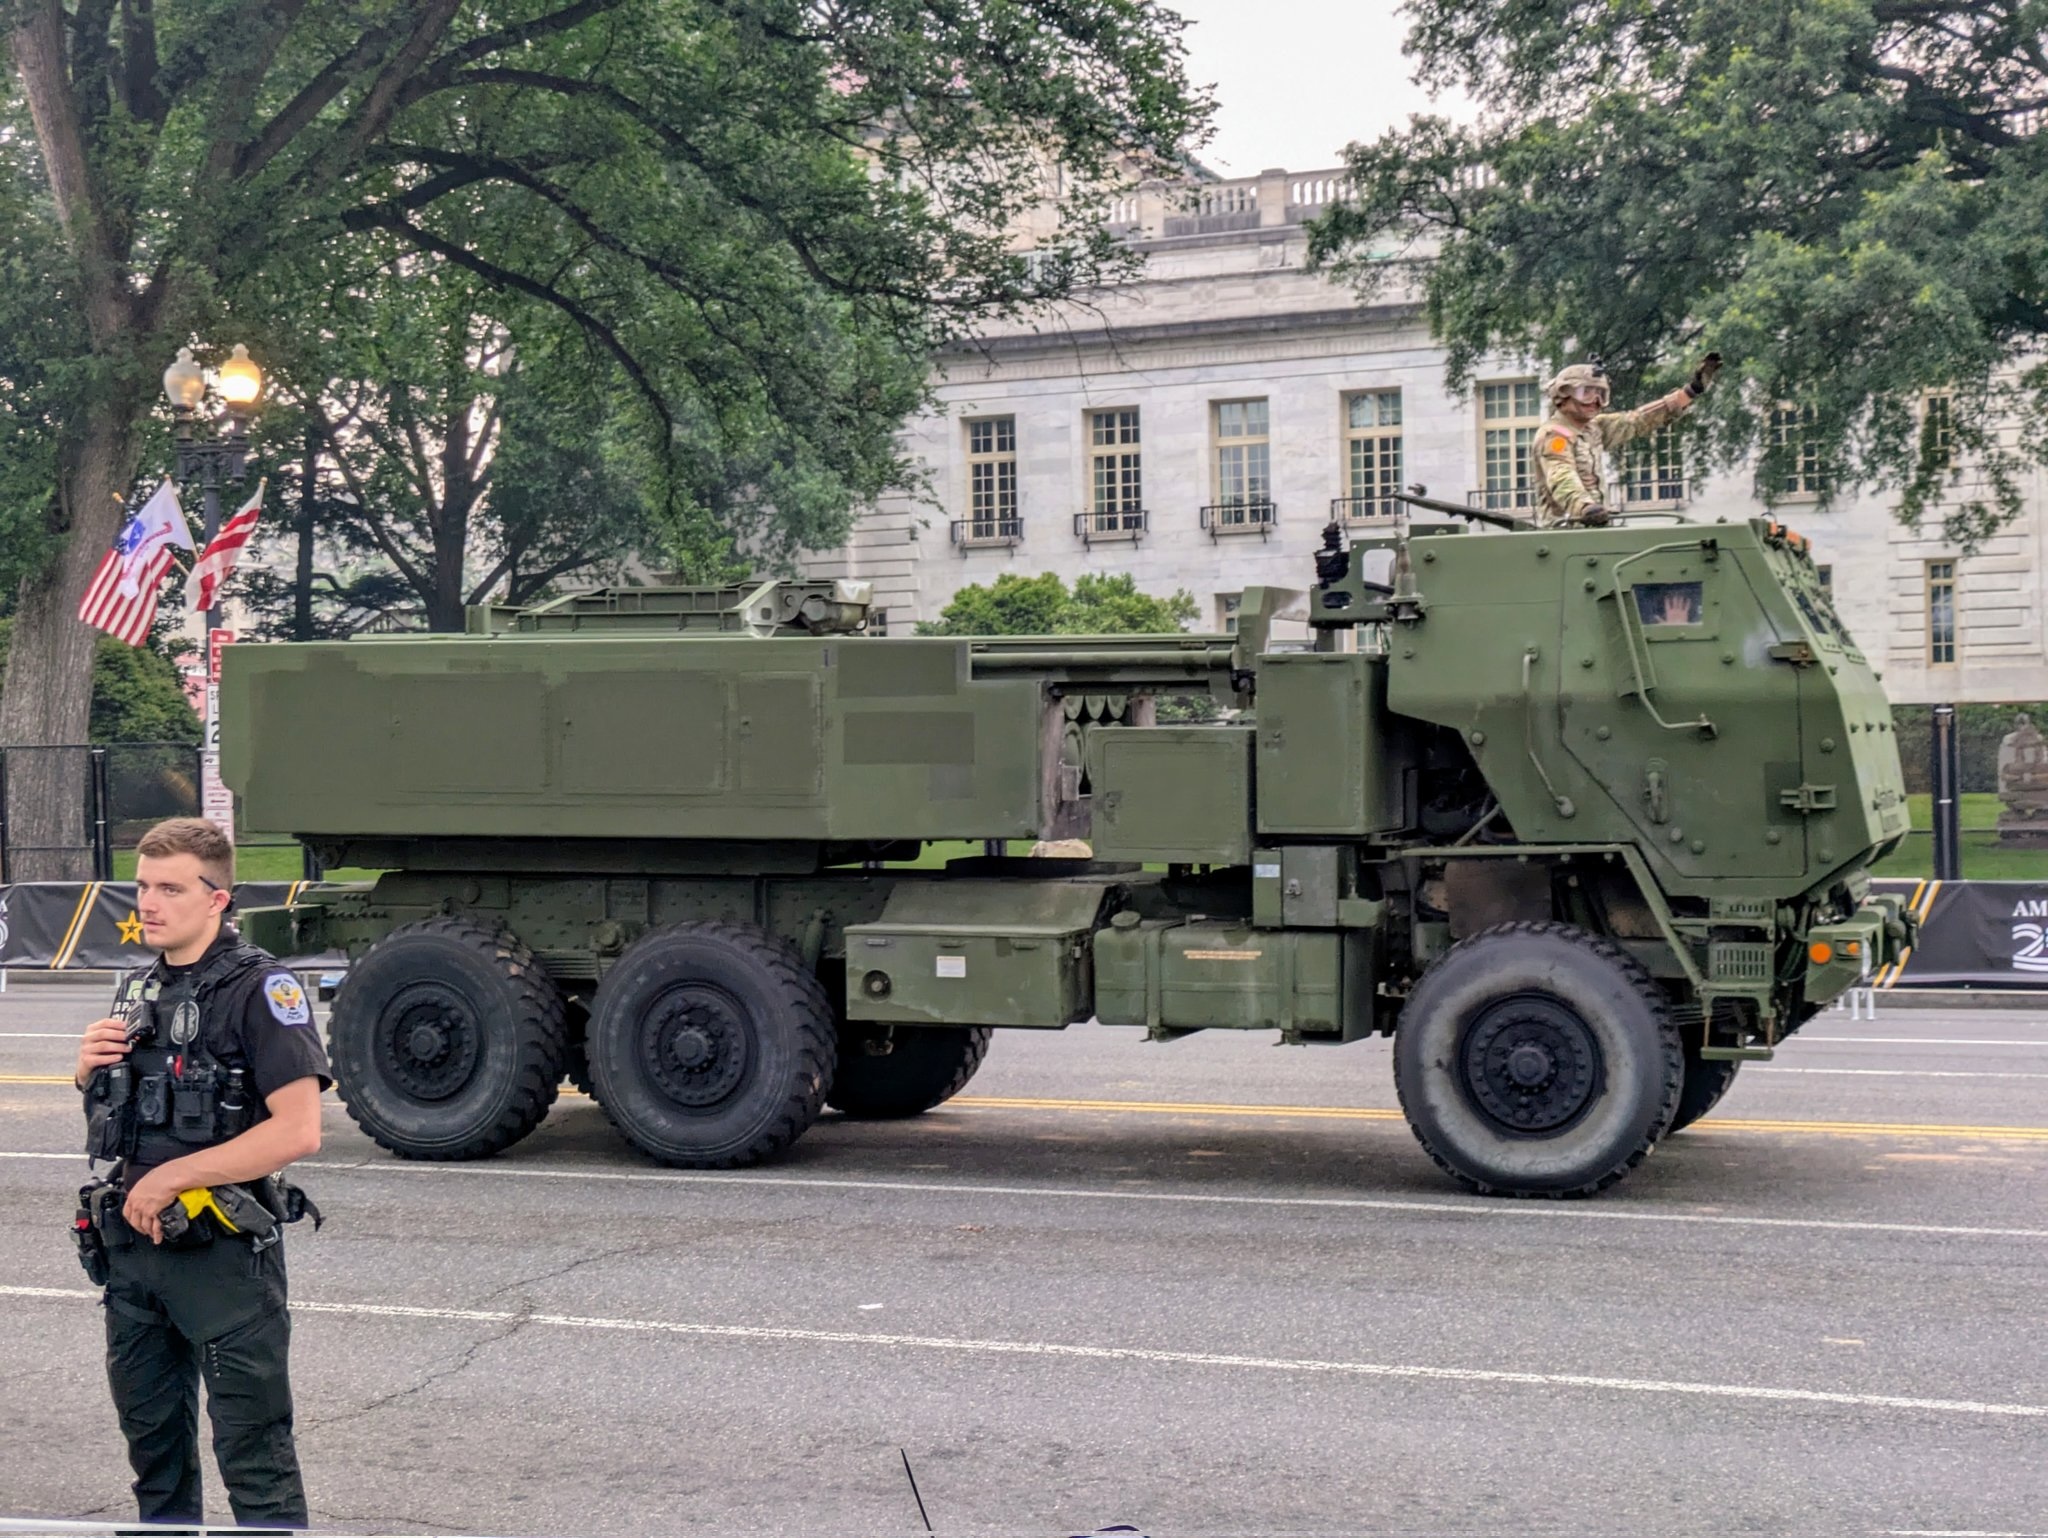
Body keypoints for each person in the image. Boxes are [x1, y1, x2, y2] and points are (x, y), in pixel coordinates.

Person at [72, 817, 329, 1528]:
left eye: (170, 888)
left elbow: (299, 1130)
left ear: (217, 899)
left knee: (255, 1458)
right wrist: (85, 1070)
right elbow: (126, 1117)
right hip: (133, 1254)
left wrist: (173, 1178)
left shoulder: (262, 989)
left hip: (220, 1257)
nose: (147, 904)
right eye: (143, 887)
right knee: (153, 1455)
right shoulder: (138, 987)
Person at [1530, 353, 1723, 528]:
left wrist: (1688, 393)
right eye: (1585, 393)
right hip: (1565, 534)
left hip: (1593, 530)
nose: (1595, 400)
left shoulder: (1593, 428)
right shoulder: (1554, 435)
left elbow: (1636, 421)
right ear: (1563, 395)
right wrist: (1585, 508)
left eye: (1601, 394)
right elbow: (1561, 475)